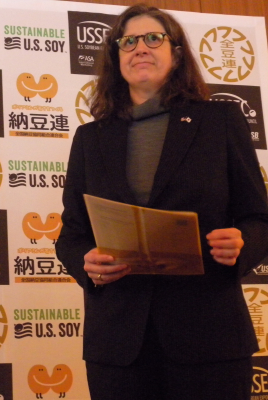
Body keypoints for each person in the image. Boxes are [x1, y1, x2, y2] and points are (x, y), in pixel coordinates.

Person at [55, 4, 268, 400]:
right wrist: (86, 262)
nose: (140, 48)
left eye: (154, 38)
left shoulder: (221, 121)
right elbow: (72, 235)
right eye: (128, 41)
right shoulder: (90, 138)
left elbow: (259, 217)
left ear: (177, 53)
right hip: (118, 344)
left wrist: (242, 242)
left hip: (209, 336)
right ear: (116, 57)